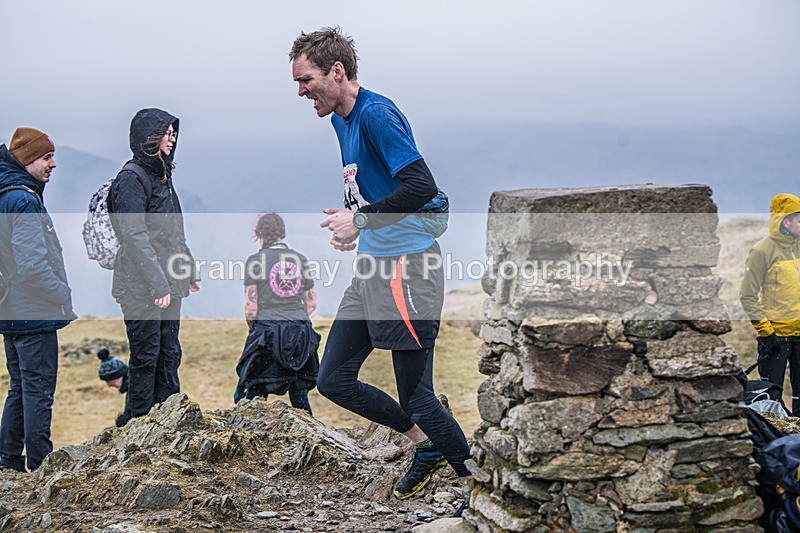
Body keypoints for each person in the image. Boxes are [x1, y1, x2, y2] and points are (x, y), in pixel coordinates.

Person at [289, 27, 471, 502]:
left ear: (337, 71)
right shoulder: (340, 120)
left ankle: (481, 486)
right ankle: (425, 446)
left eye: (306, 80)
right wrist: (355, 223)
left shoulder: (376, 115)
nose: (301, 91)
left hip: (408, 269)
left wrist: (361, 220)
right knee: (332, 379)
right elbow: (376, 190)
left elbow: (421, 186)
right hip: (372, 266)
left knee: (418, 396)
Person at [108, 108, 200, 424]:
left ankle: (169, 422)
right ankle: (139, 426)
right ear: (149, 137)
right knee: (146, 357)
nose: (172, 139)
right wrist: (157, 284)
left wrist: (188, 268)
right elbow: (133, 236)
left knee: (169, 353)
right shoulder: (130, 180)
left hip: (169, 280)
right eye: (166, 133)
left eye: (174, 133)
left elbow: (174, 229)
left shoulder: (163, 175)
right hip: (139, 286)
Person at [0, 127, 76, 471]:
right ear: (27, 159)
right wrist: (61, 293)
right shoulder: (23, 200)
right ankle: (41, 464)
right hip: (33, 312)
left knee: (19, 387)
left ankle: (8, 458)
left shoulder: (5, 195)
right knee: (38, 390)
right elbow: (32, 266)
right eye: (46, 157)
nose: (53, 164)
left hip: (11, 310)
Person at [234, 213, 319, 416]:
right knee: (299, 397)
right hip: (300, 335)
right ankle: (309, 433)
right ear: (282, 233)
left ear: (259, 234)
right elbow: (311, 303)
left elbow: (251, 307)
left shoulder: (256, 261)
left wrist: (255, 330)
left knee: (252, 393)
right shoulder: (299, 259)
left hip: (267, 334)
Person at [741, 193, 800, 415]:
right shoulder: (761, 251)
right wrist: (766, 333)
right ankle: (774, 436)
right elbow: (747, 295)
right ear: (786, 222)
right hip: (775, 338)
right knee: (772, 399)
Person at [97, 348, 132, 427]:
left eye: (109, 380)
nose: (109, 385)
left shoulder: (135, 390)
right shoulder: (132, 387)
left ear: (118, 376)